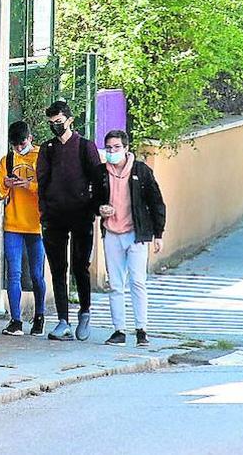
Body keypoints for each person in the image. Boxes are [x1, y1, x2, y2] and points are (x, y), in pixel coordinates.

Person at [36, 101, 105, 342]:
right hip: (54, 216)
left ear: (70, 120)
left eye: (59, 122)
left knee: (80, 266)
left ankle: (85, 311)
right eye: (51, 123)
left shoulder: (85, 147)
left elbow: (98, 180)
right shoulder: (48, 149)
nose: (55, 127)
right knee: (57, 269)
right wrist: (43, 212)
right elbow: (42, 183)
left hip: (81, 215)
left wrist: (95, 207)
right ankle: (63, 319)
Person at [99, 130, 166, 348]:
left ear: (126, 148)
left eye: (116, 147)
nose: (112, 152)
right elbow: (91, 199)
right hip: (112, 233)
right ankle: (119, 330)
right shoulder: (101, 173)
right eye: (108, 148)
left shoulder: (141, 172)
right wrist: (100, 209)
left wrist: (158, 234)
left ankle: (141, 329)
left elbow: (156, 202)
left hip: (136, 234)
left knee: (138, 281)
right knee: (115, 284)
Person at [0, 120, 47, 337]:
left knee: (37, 274)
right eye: (15, 144)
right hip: (13, 224)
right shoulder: (7, 161)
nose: (18, 147)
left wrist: (30, 186)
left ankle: (39, 317)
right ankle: (15, 320)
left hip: (37, 224)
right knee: (13, 274)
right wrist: (6, 185)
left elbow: (49, 188)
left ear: (30, 138)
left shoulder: (42, 157)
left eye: (22, 143)